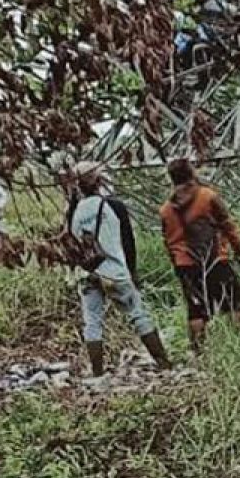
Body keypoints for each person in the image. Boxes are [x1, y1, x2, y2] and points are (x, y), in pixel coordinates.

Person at [67, 162, 171, 379]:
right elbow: (128, 242)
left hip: (86, 274)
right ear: (98, 182)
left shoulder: (73, 213)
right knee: (138, 314)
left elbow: (70, 246)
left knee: (92, 322)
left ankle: (97, 372)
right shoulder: (113, 206)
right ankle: (163, 363)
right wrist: (133, 273)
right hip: (114, 272)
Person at [159, 159, 240, 352]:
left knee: (196, 311)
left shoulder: (166, 209)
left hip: (185, 265)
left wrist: (177, 263)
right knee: (235, 303)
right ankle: (237, 346)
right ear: (191, 172)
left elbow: (167, 241)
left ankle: (198, 353)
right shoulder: (207, 197)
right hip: (215, 258)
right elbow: (228, 225)